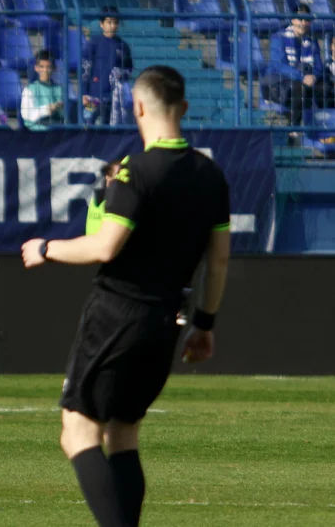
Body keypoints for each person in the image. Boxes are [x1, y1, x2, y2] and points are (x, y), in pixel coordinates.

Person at [21, 66, 231, 527]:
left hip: (116, 314)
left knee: (78, 432)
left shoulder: (137, 169)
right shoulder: (211, 175)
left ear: (137, 107)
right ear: (185, 108)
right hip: (166, 319)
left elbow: (104, 246)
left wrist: (44, 248)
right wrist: (205, 324)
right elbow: (217, 262)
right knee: (124, 433)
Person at [264, 4, 332, 127]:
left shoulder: (312, 41)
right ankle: (294, 127)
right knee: (298, 87)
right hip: (279, 81)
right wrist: (302, 77)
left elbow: (318, 66)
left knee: (325, 88)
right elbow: (279, 65)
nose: (304, 23)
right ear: (293, 20)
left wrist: (314, 77)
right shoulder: (279, 37)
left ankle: (324, 126)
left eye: (307, 20)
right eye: (301, 19)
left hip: (304, 79)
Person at [81, 7, 133, 125]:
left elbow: (129, 68)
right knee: (88, 121)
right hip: (93, 96)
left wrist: (121, 74)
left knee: (109, 125)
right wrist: (84, 92)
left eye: (115, 22)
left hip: (113, 97)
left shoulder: (122, 46)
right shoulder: (93, 43)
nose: (112, 26)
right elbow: (85, 69)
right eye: (109, 22)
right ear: (101, 24)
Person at [21, 50, 66, 130]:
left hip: (57, 127)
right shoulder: (29, 89)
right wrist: (47, 109)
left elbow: (66, 114)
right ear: (36, 68)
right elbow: (27, 115)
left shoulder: (60, 89)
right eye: (42, 67)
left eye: (48, 67)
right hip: (38, 129)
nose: (45, 70)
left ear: (54, 68)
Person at [86, 160, 122, 236]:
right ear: (108, 178)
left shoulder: (95, 198)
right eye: (118, 175)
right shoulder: (115, 201)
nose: (122, 178)